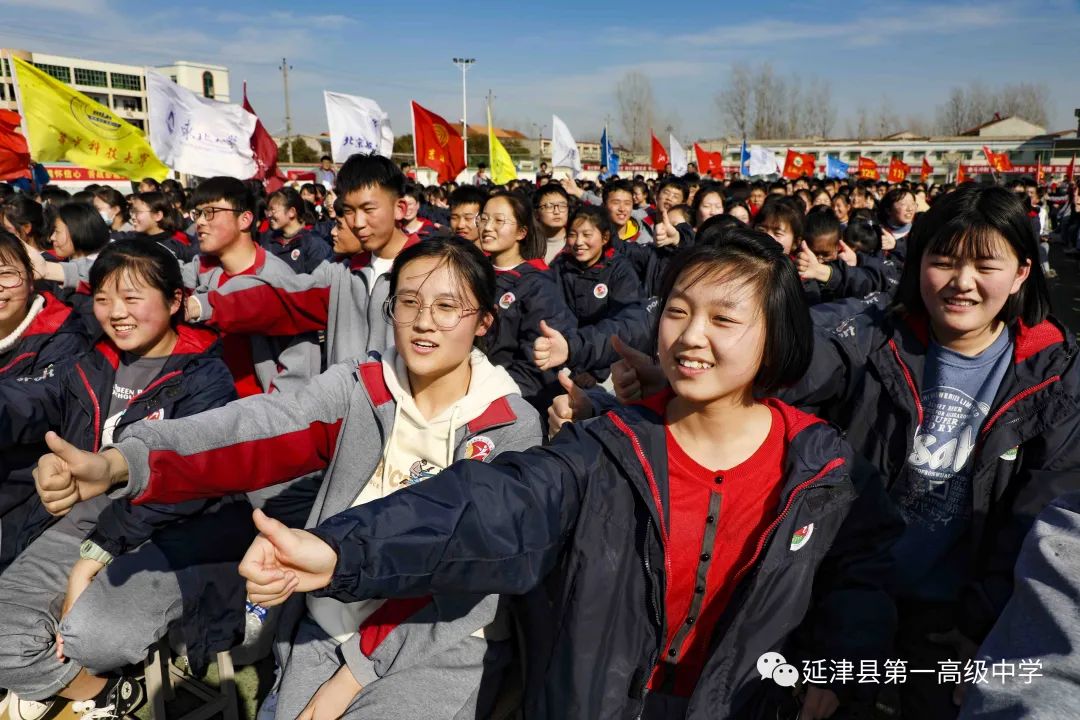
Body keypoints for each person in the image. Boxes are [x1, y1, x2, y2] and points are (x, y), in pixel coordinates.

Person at [102, 233, 902, 720]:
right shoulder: (610, 451)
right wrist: (340, 550)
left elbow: (856, 568)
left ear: (777, 335)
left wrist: (841, 653)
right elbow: (480, 508)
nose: (692, 336)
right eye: (680, 311)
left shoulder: (823, 466)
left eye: (724, 319)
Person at [611, 185, 1080, 720]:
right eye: (943, 261)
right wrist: (681, 377)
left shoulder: (1056, 376)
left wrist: (986, 626)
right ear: (916, 261)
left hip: (958, 625)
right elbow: (790, 355)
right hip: (848, 595)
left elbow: (1039, 517)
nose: (962, 283)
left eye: (985, 265)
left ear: (1022, 271)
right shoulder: (870, 333)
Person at [37, 237, 543, 720]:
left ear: (483, 321)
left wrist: (354, 676)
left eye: (447, 307)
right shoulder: (361, 385)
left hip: (436, 639)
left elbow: (471, 568)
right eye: (407, 302)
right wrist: (123, 463)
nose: (422, 322)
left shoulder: (506, 424)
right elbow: (260, 425)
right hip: (329, 619)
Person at [0, 239, 238, 720]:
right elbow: (34, 405)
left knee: (94, 635)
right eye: (105, 299)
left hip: (164, 536)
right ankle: (100, 694)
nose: (116, 313)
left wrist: (92, 557)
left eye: (133, 298)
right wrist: (52, 464)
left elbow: (188, 484)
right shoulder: (89, 362)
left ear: (175, 302)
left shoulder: (205, 378)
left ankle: (76, 685)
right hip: (77, 525)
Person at [0, 230, 90, 571]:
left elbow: (47, 398)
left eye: (6, 274)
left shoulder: (63, 335)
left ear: (31, 276)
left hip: (28, 496)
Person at [479, 191, 575, 410]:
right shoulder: (473, 273)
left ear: (521, 232)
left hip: (507, 401)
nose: (487, 227)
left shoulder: (538, 285)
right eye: (484, 218)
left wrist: (486, 391)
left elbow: (537, 365)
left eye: (499, 220)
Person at [533, 204, 649, 385]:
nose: (578, 242)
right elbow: (553, 315)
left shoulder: (620, 270)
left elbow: (625, 326)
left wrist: (596, 372)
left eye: (587, 235)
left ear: (604, 238)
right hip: (565, 357)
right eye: (572, 234)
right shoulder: (560, 266)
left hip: (609, 365)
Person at [261, 187, 333, 274]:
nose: (269, 215)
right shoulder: (267, 239)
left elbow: (320, 281)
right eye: (268, 210)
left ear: (291, 212)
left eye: (273, 210)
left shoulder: (313, 243)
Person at [127, 191, 197, 261]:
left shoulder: (174, 247)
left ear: (157, 215)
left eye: (137, 212)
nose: (133, 217)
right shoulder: (131, 240)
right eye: (132, 212)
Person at [533, 184, 571, 263]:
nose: (556, 211)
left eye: (562, 206)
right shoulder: (528, 244)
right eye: (549, 206)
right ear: (536, 213)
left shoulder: (576, 243)